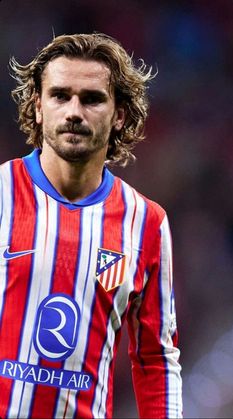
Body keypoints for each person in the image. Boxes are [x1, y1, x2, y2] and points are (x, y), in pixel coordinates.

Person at [0, 33, 182, 418]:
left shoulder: (146, 222)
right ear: (37, 106)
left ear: (119, 114)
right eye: (60, 95)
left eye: (92, 98)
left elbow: (156, 358)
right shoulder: (1, 195)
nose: (74, 111)